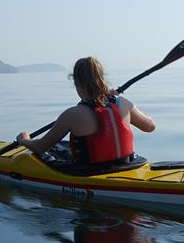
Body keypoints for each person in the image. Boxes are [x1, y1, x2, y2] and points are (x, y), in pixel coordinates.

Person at [16, 57, 155, 165]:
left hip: (89, 172)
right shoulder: (124, 103)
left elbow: (41, 147)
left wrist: (25, 141)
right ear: (102, 78)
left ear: (76, 82)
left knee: (51, 150)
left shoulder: (72, 115)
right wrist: (119, 99)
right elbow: (150, 127)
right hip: (127, 165)